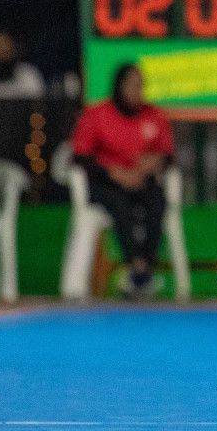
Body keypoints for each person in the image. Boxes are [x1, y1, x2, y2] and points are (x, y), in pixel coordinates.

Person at [69, 63, 174, 297]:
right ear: (119, 86)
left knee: (157, 202)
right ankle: (136, 267)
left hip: (141, 181)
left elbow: (167, 155)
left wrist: (153, 162)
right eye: (132, 85)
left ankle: (144, 267)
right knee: (119, 204)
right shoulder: (96, 115)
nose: (138, 91)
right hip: (105, 183)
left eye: (141, 86)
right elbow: (80, 157)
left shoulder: (154, 115)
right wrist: (114, 173)